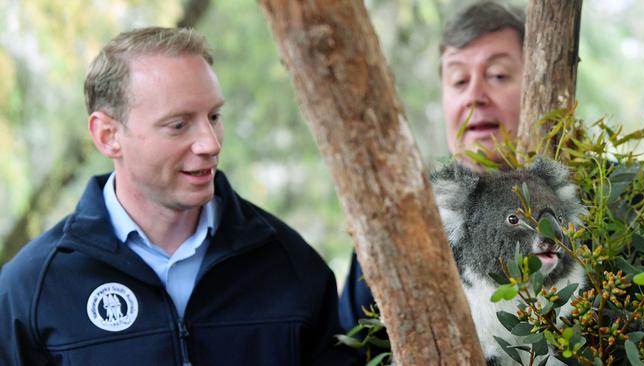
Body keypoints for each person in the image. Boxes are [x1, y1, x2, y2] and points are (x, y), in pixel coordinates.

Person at [0, 27, 356, 366]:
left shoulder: (290, 265)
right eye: (178, 124)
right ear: (108, 135)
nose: (211, 143)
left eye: (214, 116)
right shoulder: (32, 289)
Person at [338, 0, 525, 360]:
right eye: (458, 80)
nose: (475, 95)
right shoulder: (400, 217)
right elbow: (353, 347)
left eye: (498, 75)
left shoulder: (596, 202)